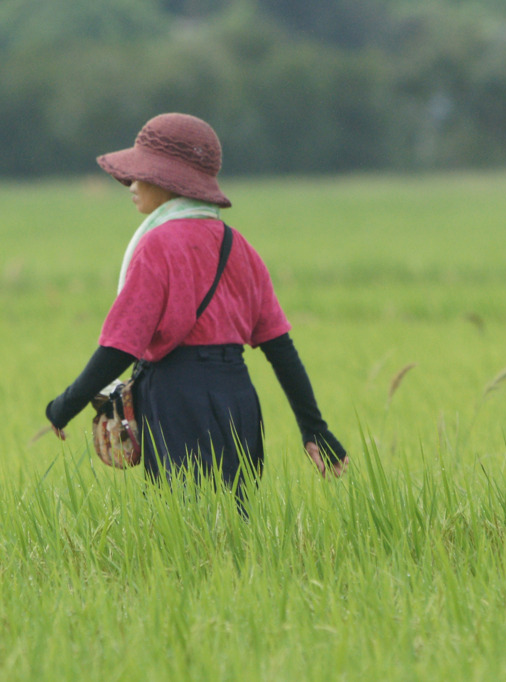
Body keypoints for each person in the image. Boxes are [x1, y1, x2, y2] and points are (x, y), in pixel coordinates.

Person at [46, 113, 347, 498]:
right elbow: (280, 349)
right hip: (238, 400)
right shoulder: (238, 246)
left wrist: (64, 406)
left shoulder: (156, 246)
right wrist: (314, 429)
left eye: (140, 174)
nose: (131, 184)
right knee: (236, 519)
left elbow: (121, 346)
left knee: (181, 521)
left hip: (177, 400)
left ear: (167, 182)